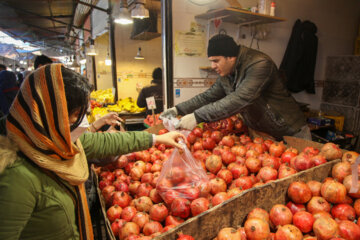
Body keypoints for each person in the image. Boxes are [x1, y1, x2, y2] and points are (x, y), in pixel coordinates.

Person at [0, 63, 184, 239]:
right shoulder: (16, 178)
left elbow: (105, 141)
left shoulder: (59, 144)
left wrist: (156, 138)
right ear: (49, 114)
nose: (83, 123)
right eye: (75, 115)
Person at [161, 34, 311, 141]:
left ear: (231, 57)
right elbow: (208, 97)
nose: (213, 66)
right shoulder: (227, 73)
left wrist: (197, 116)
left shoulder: (259, 64)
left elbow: (240, 99)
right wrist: (178, 109)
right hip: (264, 134)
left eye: (216, 61)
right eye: (211, 61)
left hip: (291, 131)